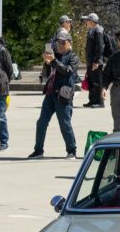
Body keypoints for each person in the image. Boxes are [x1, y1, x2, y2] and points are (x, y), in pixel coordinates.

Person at [29, 31, 79, 159]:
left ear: (70, 43)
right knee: (41, 122)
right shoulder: (54, 56)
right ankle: (38, 150)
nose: (60, 45)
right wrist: (46, 62)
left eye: (63, 42)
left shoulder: (73, 57)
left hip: (63, 95)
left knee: (64, 123)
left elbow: (67, 71)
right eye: (58, 42)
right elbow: (46, 75)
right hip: (50, 94)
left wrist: (53, 61)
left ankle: (71, 150)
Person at [81, 13, 105, 108]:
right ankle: (92, 100)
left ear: (91, 21)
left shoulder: (98, 31)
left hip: (95, 62)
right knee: (91, 81)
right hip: (90, 62)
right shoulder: (91, 30)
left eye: (87, 20)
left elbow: (99, 47)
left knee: (97, 82)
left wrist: (96, 61)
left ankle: (99, 102)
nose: (86, 22)